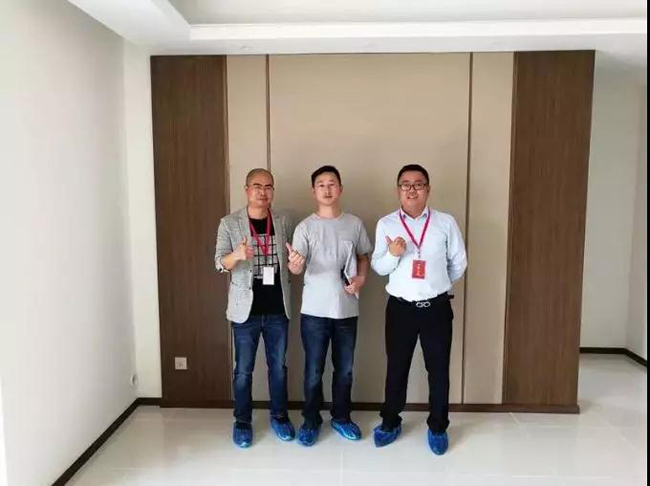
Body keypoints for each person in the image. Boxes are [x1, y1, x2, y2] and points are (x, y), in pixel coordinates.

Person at [370, 164, 467, 455]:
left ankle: (438, 427)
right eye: (406, 184)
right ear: (398, 189)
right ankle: (390, 422)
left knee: (438, 370)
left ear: (428, 189)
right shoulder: (386, 224)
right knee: (396, 368)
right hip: (400, 310)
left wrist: (435, 285)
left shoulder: (445, 222)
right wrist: (393, 254)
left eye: (418, 184)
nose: (412, 190)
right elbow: (378, 267)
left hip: (436, 309)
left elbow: (459, 262)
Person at [287, 165, 373, 446]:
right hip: (314, 312)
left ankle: (341, 417)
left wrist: (361, 279)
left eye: (332, 183)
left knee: (344, 370)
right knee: (313, 371)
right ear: (313, 191)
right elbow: (296, 268)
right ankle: (311, 420)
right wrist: (294, 264)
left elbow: (363, 256)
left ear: (340, 189)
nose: (327, 189)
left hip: (346, 310)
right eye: (321, 184)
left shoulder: (354, 224)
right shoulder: (305, 227)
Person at [214, 168, 295, 448]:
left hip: (277, 309)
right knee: (243, 370)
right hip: (245, 311)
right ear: (246, 189)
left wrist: (296, 263)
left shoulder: (283, 221)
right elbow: (219, 263)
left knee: (278, 368)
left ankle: (280, 417)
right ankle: (242, 422)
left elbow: (293, 260)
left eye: (268, 186)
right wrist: (236, 255)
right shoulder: (229, 223)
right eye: (257, 186)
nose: (263, 191)